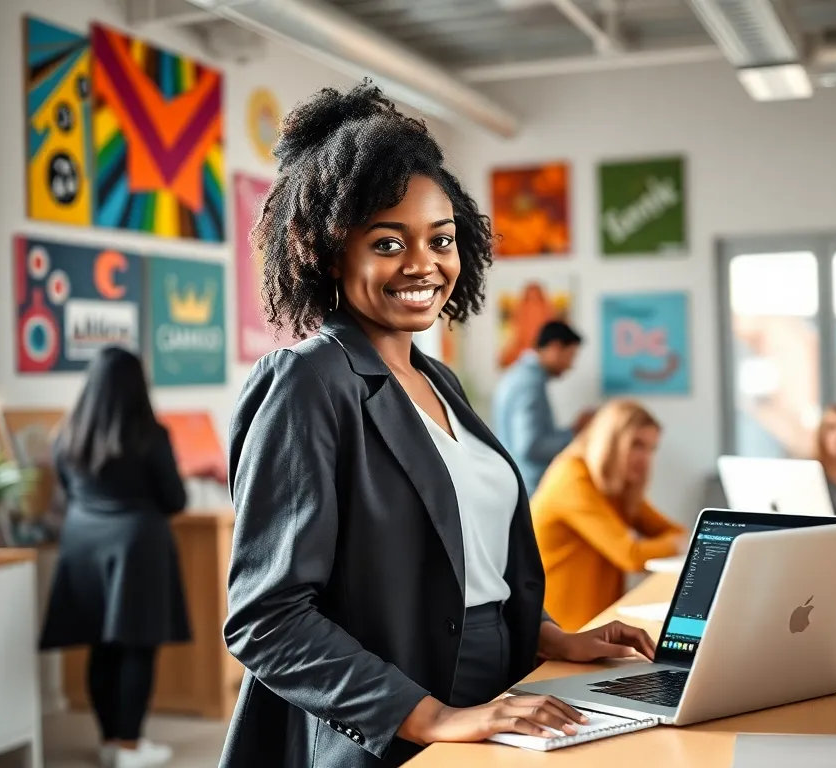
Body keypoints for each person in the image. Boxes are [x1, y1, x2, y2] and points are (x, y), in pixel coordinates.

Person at [220, 83, 654, 768]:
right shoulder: (307, 383)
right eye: (388, 242)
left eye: (441, 240)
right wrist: (436, 717)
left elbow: (460, 566)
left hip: (497, 695)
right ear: (332, 253)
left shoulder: (438, 381)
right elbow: (267, 620)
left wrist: (548, 637)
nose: (423, 264)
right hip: (388, 725)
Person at [39, 347, 191, 768]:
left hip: (82, 545)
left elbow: (68, 491)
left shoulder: (67, 434)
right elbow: (174, 499)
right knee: (137, 648)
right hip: (136, 547)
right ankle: (129, 747)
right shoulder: (151, 435)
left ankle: (109, 741)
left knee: (101, 647)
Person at [530, 400, 686, 631]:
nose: (645, 459)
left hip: (596, 626)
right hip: (559, 634)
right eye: (636, 445)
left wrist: (677, 540)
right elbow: (631, 555)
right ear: (610, 442)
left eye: (652, 449)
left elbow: (672, 530)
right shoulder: (572, 479)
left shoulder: (616, 484)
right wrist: (678, 544)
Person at [493, 320, 592, 496]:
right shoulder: (528, 383)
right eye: (570, 356)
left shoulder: (520, 376)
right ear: (555, 348)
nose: (570, 366)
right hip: (529, 489)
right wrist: (575, 434)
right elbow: (530, 446)